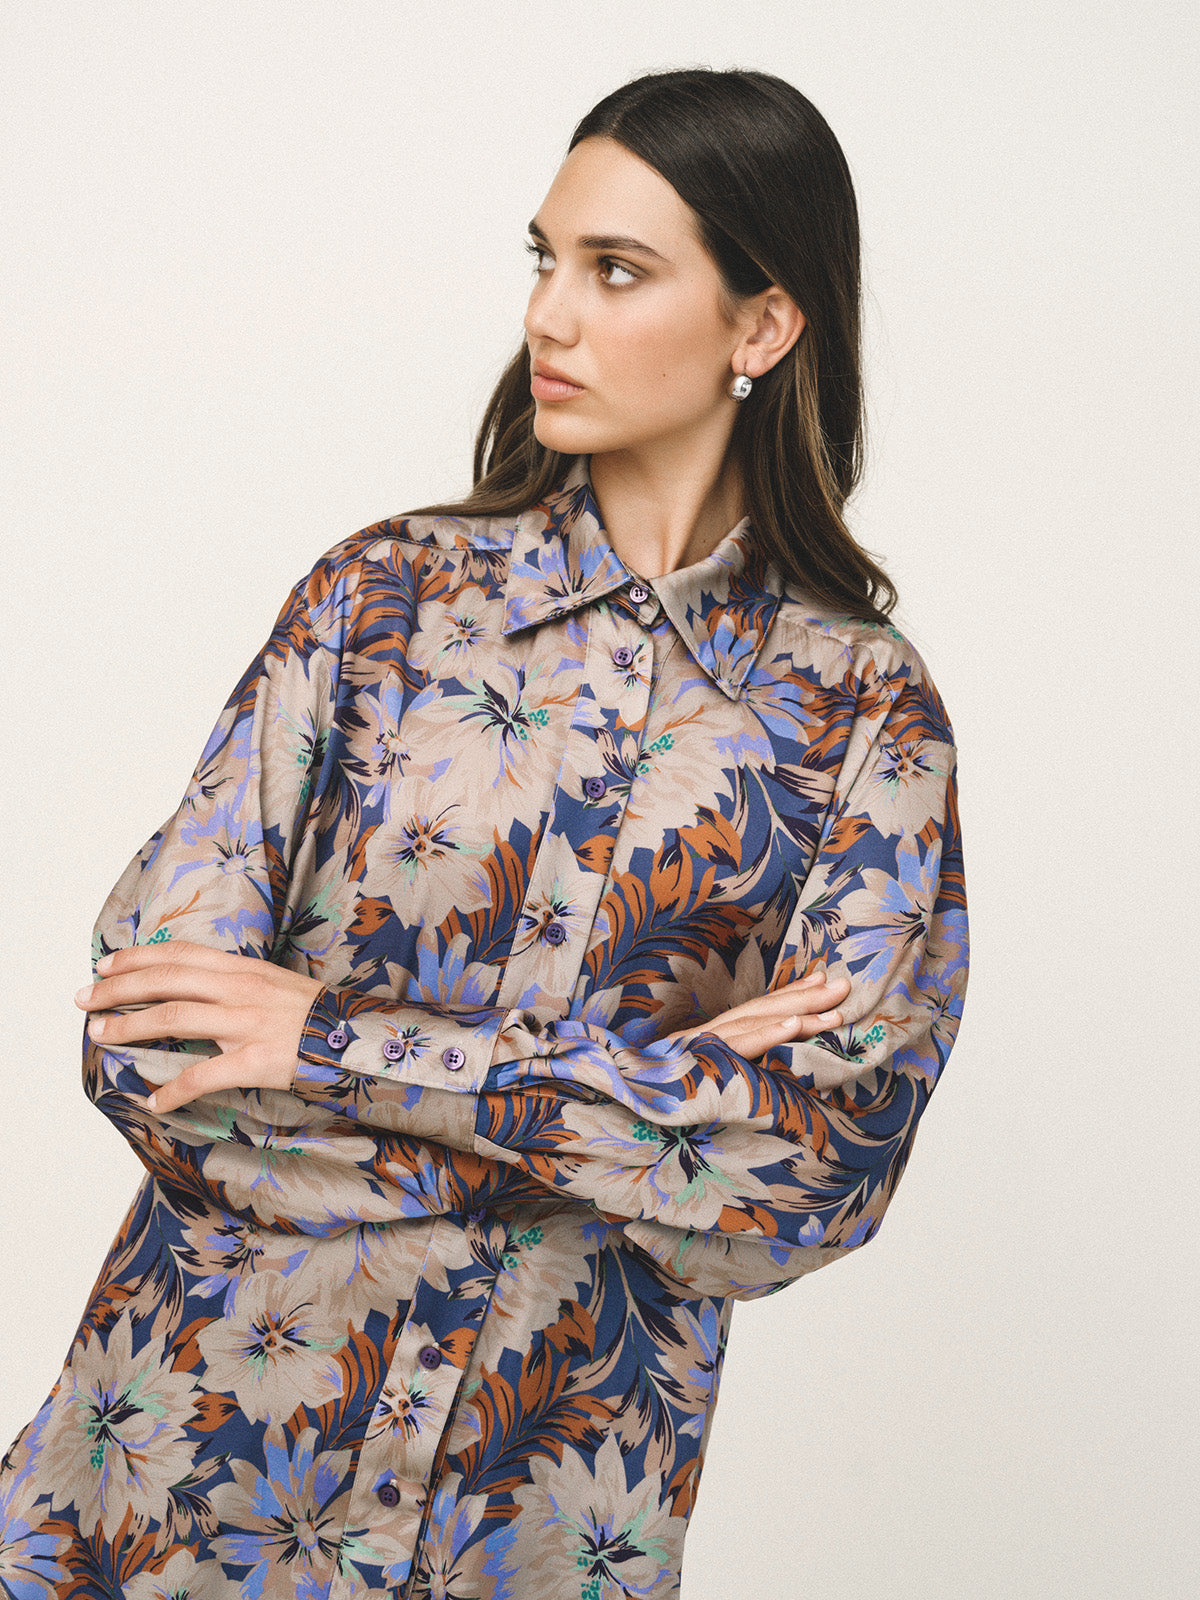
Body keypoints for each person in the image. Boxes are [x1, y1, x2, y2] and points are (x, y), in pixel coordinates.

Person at [0, 65, 967, 1600]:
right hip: (167, 1499)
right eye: (547, 259)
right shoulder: (379, 608)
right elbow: (146, 1044)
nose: (550, 319)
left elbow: (814, 1174)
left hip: (530, 1539)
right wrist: (651, 1125)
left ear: (762, 326)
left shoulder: (864, 717)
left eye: (618, 271)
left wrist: (330, 1046)